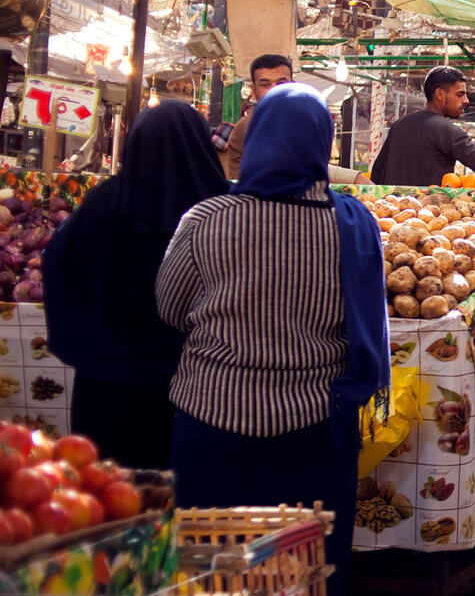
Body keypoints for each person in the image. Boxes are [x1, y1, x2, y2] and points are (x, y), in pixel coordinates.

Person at [156, 83, 390, 591]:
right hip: (310, 436)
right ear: (321, 144)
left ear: (256, 138)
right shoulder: (351, 224)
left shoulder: (204, 220)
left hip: (212, 426)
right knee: (302, 577)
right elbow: (364, 324)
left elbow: (170, 309)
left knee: (213, 572)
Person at [44, 101, 230, 468]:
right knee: (178, 501)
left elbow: (59, 268)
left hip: (106, 383)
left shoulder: (103, 203)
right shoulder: (219, 208)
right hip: (194, 389)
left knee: (110, 499)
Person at [224, 53, 370, 185]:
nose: (275, 90)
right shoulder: (250, 126)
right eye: (265, 85)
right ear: (253, 91)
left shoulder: (297, 121)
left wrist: (353, 177)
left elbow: (310, 165)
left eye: (281, 83)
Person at [371, 66, 475, 186]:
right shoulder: (445, 131)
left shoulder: (399, 125)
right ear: (440, 95)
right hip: (429, 207)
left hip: (393, 206)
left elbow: (377, 173)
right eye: (460, 94)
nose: (466, 100)